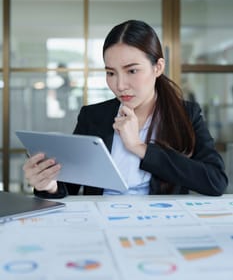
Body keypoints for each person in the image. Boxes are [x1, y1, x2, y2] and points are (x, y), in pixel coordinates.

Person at [23, 20, 228, 198]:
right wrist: (48, 185)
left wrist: (140, 148)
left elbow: (215, 181)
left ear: (158, 67)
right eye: (111, 73)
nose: (120, 85)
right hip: (102, 223)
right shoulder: (93, 116)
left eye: (132, 70)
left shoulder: (186, 114)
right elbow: (70, 186)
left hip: (161, 224)